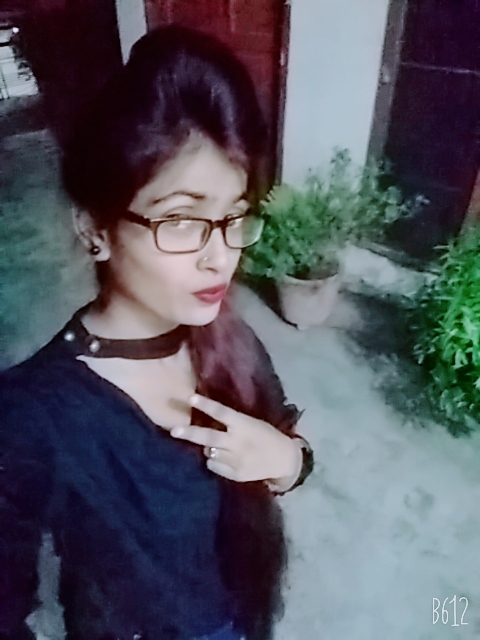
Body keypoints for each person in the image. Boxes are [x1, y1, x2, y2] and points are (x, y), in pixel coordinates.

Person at [0, 25, 314, 640]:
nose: (220, 257)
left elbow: (288, 446)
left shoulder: (233, 341)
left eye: (233, 217)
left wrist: (287, 463)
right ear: (95, 229)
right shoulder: (31, 416)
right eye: (182, 220)